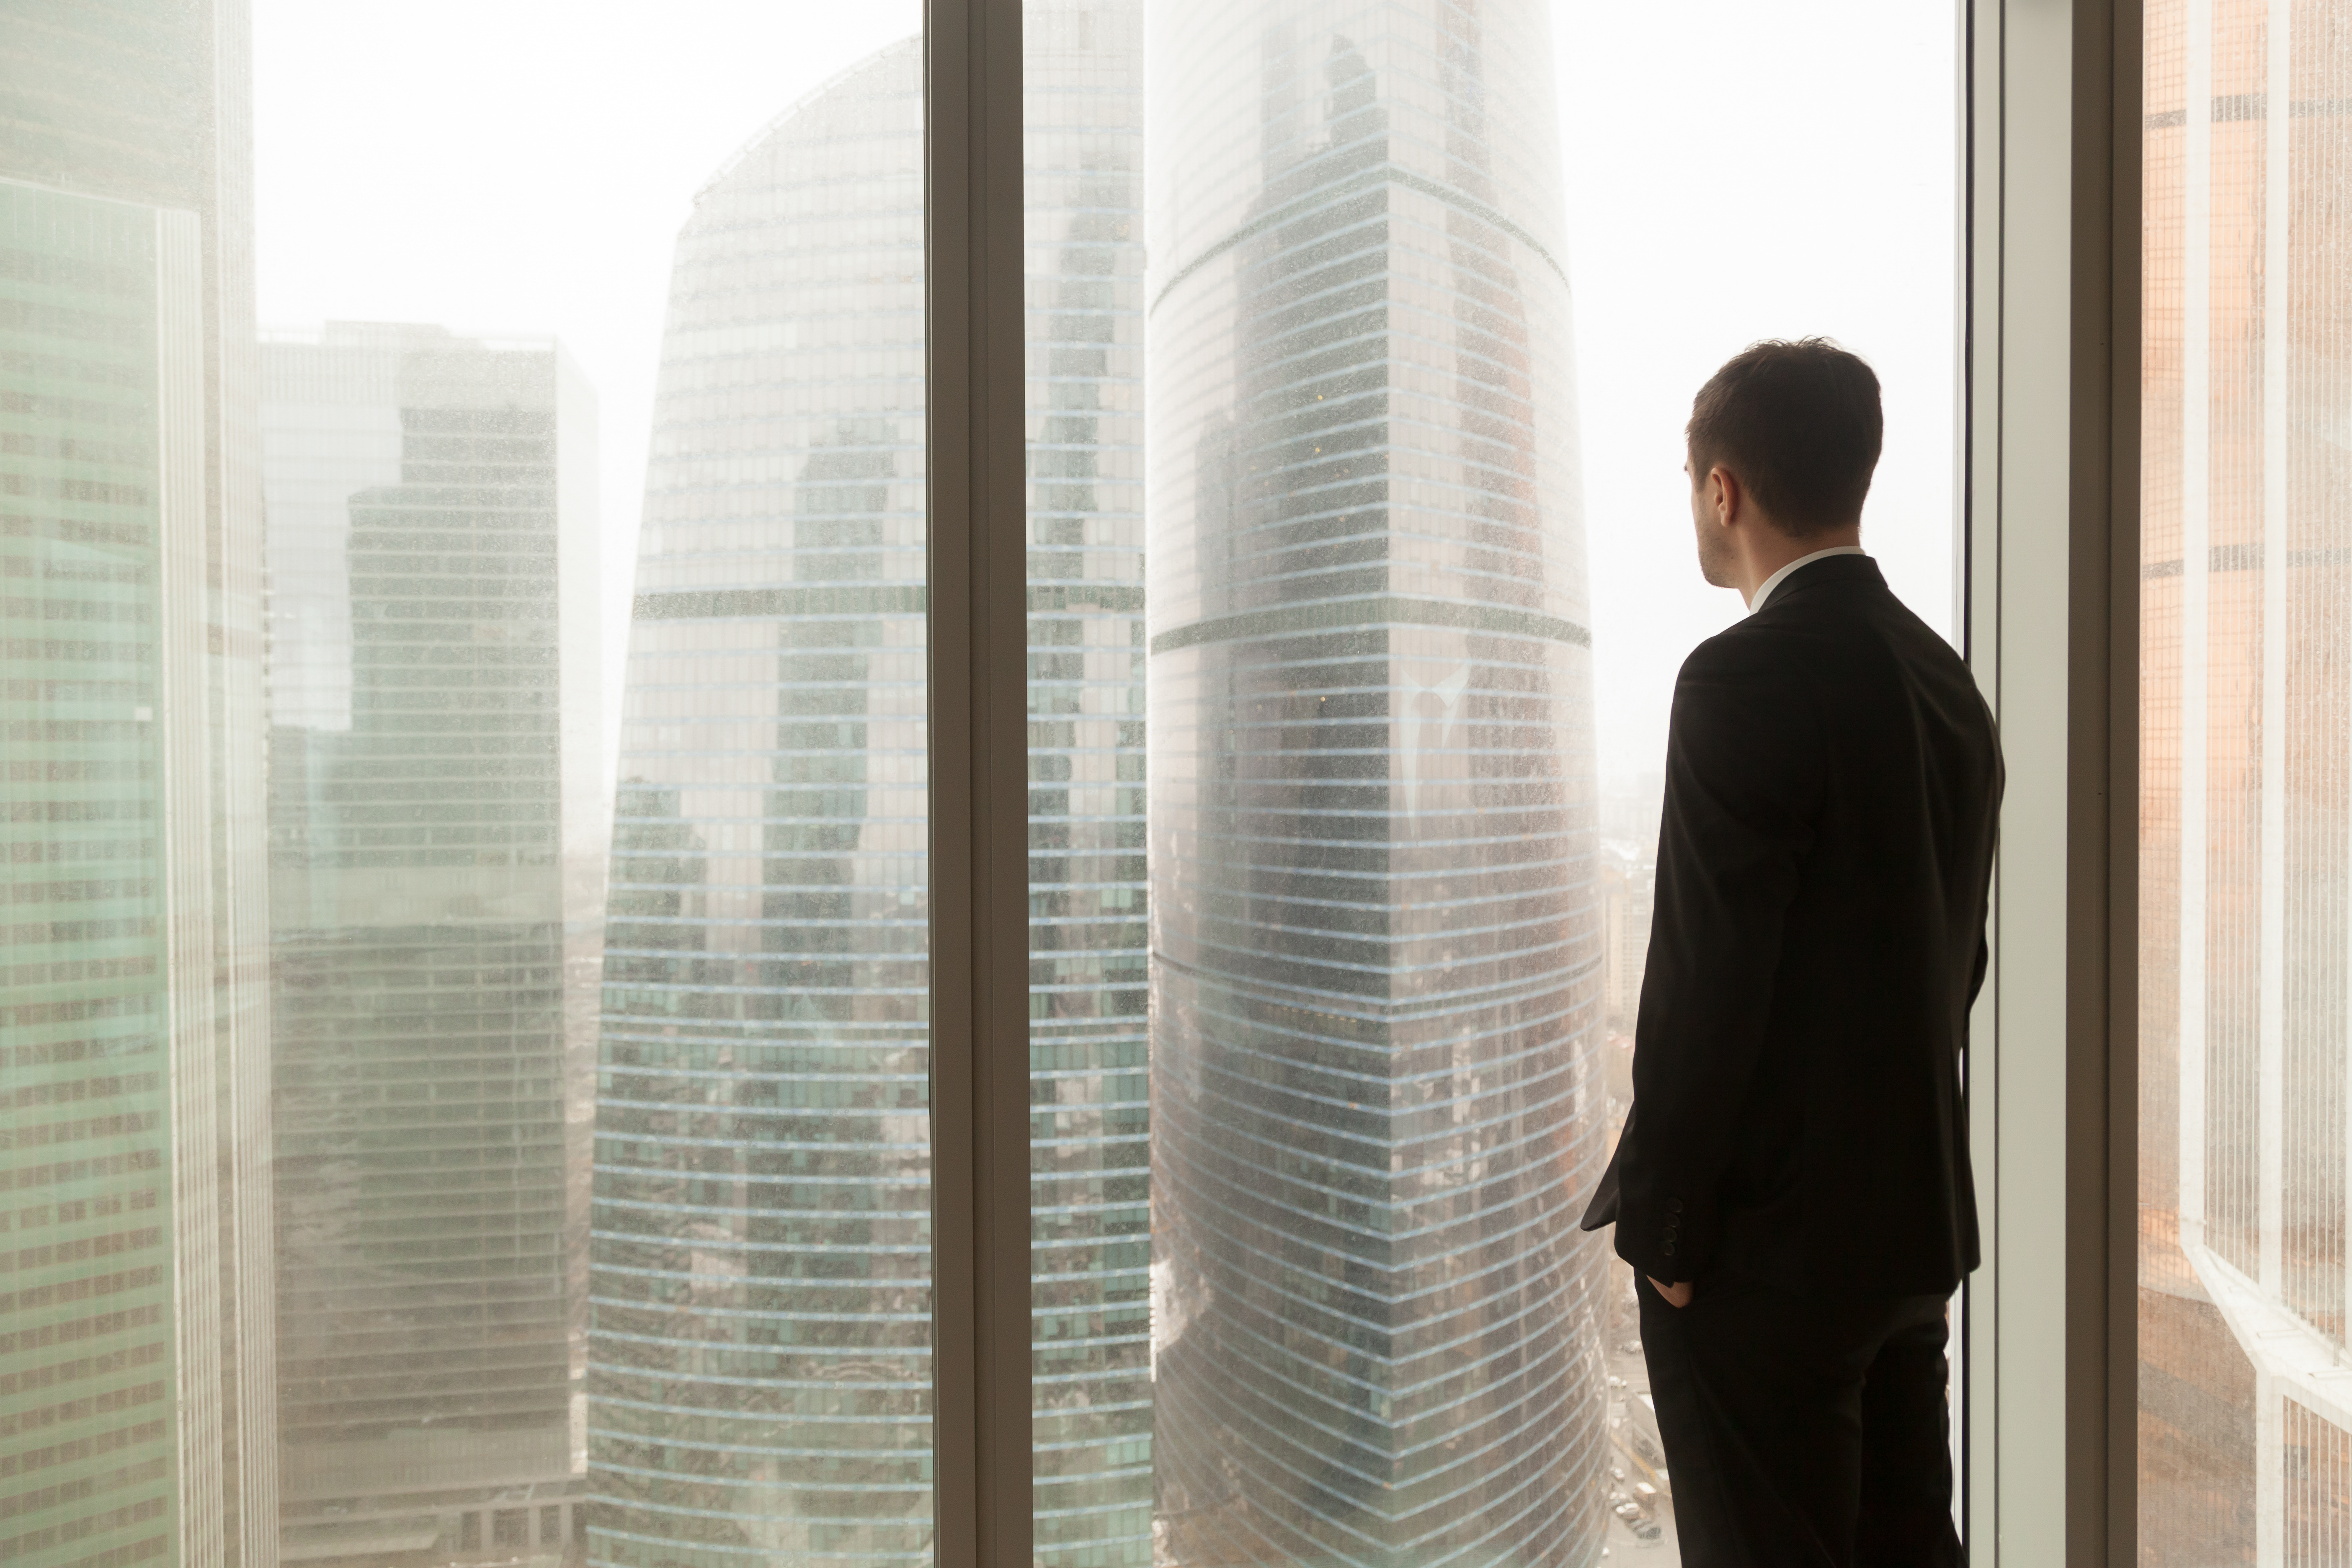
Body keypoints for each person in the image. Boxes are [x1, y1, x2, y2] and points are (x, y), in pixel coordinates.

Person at [1579, 338, 2001, 1566]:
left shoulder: (1739, 678)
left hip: (1764, 1261)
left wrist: (1666, 1233)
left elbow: (1711, 984)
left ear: (1724, 491)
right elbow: (1951, 968)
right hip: (1906, 1235)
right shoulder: (1947, 687)